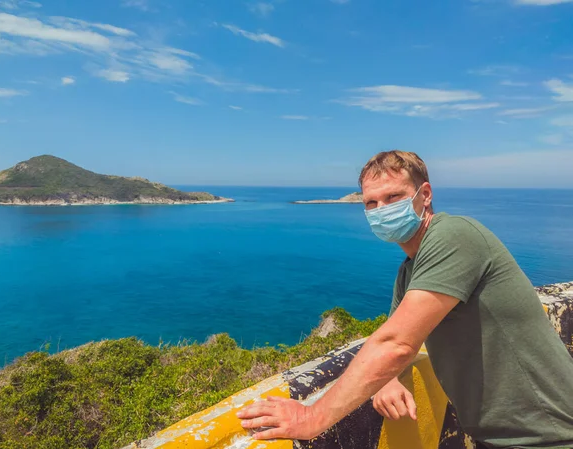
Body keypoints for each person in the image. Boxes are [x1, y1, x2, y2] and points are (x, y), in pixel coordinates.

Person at [237, 150, 573, 448]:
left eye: (394, 197)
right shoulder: (410, 271)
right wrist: (387, 379)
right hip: (502, 437)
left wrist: (312, 418)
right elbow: (396, 337)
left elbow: (395, 345)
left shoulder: (454, 235)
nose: (380, 210)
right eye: (371, 202)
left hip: (550, 435)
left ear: (424, 194)